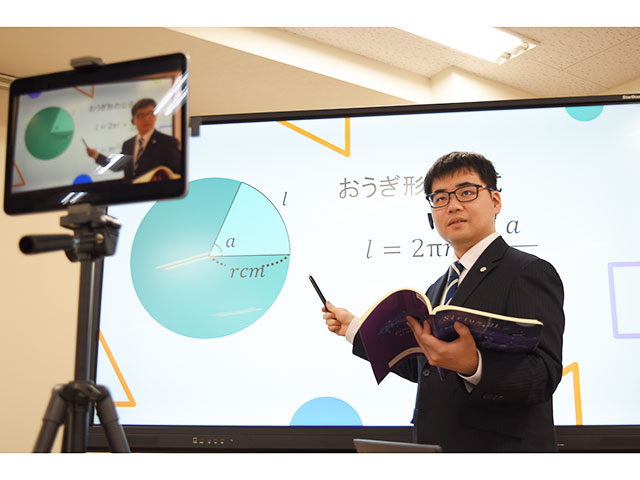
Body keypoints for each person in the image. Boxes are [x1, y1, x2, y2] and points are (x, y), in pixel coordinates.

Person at [323, 151, 565, 452]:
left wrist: (474, 365)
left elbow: (544, 375)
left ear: (495, 202)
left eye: (466, 192)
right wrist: (354, 328)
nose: (453, 205)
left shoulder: (528, 271)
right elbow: (424, 367)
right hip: (434, 451)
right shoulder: (437, 288)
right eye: (440, 198)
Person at [86, 98, 181, 182]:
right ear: (133, 120)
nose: (146, 119)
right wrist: (95, 155)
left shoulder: (168, 142)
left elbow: (178, 173)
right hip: (130, 194)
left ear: (155, 116)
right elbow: (117, 165)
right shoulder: (128, 144)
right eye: (141, 115)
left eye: (150, 113)